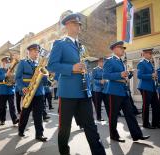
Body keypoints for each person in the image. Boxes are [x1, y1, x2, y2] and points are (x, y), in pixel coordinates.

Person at [47, 12, 106, 155]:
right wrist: (71, 68)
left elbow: (84, 66)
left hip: (84, 91)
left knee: (90, 126)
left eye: (79, 24)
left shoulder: (81, 47)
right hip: (68, 92)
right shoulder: (60, 44)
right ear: (67, 25)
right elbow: (51, 66)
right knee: (65, 128)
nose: (78, 26)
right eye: (75, 23)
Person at [103, 41, 150, 142]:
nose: (123, 50)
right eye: (121, 48)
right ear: (115, 49)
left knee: (130, 114)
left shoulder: (121, 61)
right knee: (114, 115)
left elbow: (124, 76)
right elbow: (106, 75)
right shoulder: (109, 60)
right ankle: (114, 135)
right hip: (114, 91)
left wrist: (129, 74)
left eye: (123, 48)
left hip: (123, 91)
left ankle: (137, 135)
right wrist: (120, 74)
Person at [15, 43, 47, 142]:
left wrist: (46, 75)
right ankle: (21, 130)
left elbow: (45, 81)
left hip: (39, 93)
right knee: (25, 113)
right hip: (28, 91)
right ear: (28, 52)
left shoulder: (41, 64)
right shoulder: (23, 63)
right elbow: (18, 78)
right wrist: (22, 88)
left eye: (37, 51)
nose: (36, 53)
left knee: (38, 115)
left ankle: (39, 134)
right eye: (34, 51)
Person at [137, 48, 160, 129]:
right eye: (149, 53)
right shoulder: (141, 63)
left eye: (151, 53)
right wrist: (151, 75)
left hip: (152, 87)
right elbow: (139, 75)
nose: (151, 55)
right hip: (145, 87)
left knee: (156, 105)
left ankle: (156, 123)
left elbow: (152, 74)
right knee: (146, 106)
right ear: (144, 54)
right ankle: (146, 124)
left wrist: (155, 76)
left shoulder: (150, 63)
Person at [0, 56, 19, 125]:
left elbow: (14, 79)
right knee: (2, 106)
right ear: (2, 62)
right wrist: (5, 74)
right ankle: (2, 120)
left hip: (11, 89)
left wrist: (13, 77)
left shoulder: (12, 69)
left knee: (12, 106)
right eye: (5, 61)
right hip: (2, 90)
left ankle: (14, 120)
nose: (7, 63)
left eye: (8, 62)